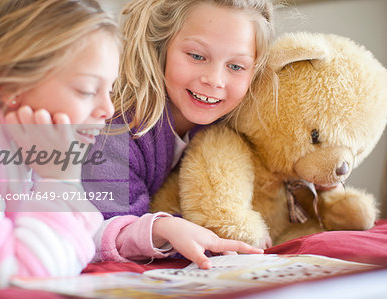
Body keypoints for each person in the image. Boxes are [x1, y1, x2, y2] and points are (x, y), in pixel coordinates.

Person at [0, 0, 262, 292]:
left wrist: (159, 230)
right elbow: (4, 280)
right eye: (86, 89)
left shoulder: (21, 136)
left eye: (109, 89)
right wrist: (57, 179)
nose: (107, 110)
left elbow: (70, 232)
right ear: (12, 81)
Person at [84, 0, 276, 250]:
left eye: (236, 66)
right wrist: (210, 231)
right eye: (197, 56)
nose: (215, 80)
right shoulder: (116, 130)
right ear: (162, 45)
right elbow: (110, 226)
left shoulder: (237, 123)